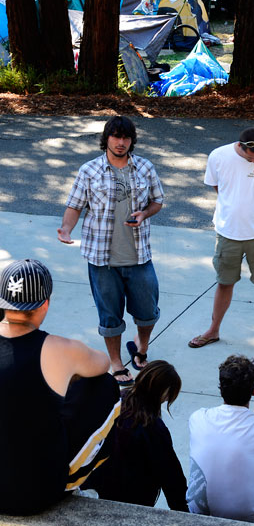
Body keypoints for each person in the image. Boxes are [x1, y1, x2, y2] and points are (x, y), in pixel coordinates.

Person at [0, 258, 121, 515]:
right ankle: (79, 475)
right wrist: (68, 375)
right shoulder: (60, 349)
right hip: (36, 494)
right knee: (106, 386)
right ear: (45, 304)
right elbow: (102, 363)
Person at [58, 115, 164, 386]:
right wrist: (66, 229)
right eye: (116, 136)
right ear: (106, 138)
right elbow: (74, 205)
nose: (121, 142)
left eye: (126, 137)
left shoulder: (145, 168)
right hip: (102, 258)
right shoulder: (89, 170)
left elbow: (157, 201)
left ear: (132, 141)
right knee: (109, 317)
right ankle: (116, 363)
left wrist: (145, 214)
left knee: (148, 311)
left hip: (139, 255)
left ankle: (141, 346)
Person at [188, 128, 254, 356]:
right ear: (241, 146)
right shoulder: (218, 156)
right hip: (228, 232)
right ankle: (213, 330)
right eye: (251, 156)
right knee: (224, 282)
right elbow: (219, 187)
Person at [187, 354, 254, 526]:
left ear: (221, 389)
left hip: (199, 510)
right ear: (253, 391)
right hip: (252, 516)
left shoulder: (198, 417)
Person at [86, 360, 188, 511]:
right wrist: (181, 510)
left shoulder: (116, 399)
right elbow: (170, 473)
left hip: (99, 485)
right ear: (164, 392)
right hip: (133, 497)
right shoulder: (153, 426)